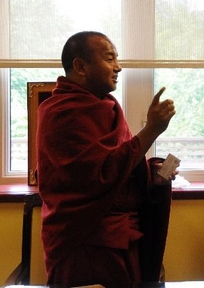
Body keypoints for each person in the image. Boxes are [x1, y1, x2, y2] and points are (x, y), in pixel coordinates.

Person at [37, 31, 178, 287]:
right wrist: (152, 130)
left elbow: (118, 164)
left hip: (121, 234)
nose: (118, 67)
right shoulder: (61, 112)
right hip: (86, 238)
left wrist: (149, 174)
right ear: (80, 66)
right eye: (110, 58)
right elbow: (99, 174)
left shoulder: (107, 105)